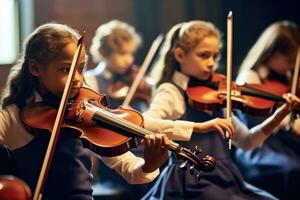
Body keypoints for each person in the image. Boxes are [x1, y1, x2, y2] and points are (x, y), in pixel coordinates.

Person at [0, 23, 170, 200]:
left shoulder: (83, 114)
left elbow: (128, 167)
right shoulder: (12, 116)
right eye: (66, 70)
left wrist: (149, 165)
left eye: (81, 69)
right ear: (35, 68)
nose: (78, 79)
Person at [141, 20, 300, 200]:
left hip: (225, 178)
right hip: (192, 181)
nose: (211, 63)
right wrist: (200, 127)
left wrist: (280, 114)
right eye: (204, 55)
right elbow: (145, 123)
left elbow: (248, 142)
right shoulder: (172, 92)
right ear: (179, 55)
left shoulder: (216, 95)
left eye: (215, 56)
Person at [85, 20, 156, 199]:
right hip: (114, 158)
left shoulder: (138, 80)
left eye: (131, 53)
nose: (129, 60)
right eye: (122, 53)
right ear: (103, 53)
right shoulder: (91, 81)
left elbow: (154, 115)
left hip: (146, 151)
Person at [233, 20, 300, 200]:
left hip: (283, 143)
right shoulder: (250, 78)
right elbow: (252, 123)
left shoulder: (286, 77)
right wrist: (288, 123)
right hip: (259, 146)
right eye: (289, 60)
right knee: (292, 169)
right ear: (272, 52)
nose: (293, 66)